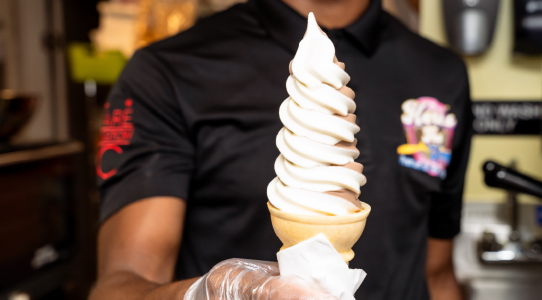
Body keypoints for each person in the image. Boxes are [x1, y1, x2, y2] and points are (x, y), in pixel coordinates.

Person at [89, 0, 472, 298]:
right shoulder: (168, 72)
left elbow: (436, 275)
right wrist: (204, 293)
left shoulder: (441, 73)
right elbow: (120, 285)